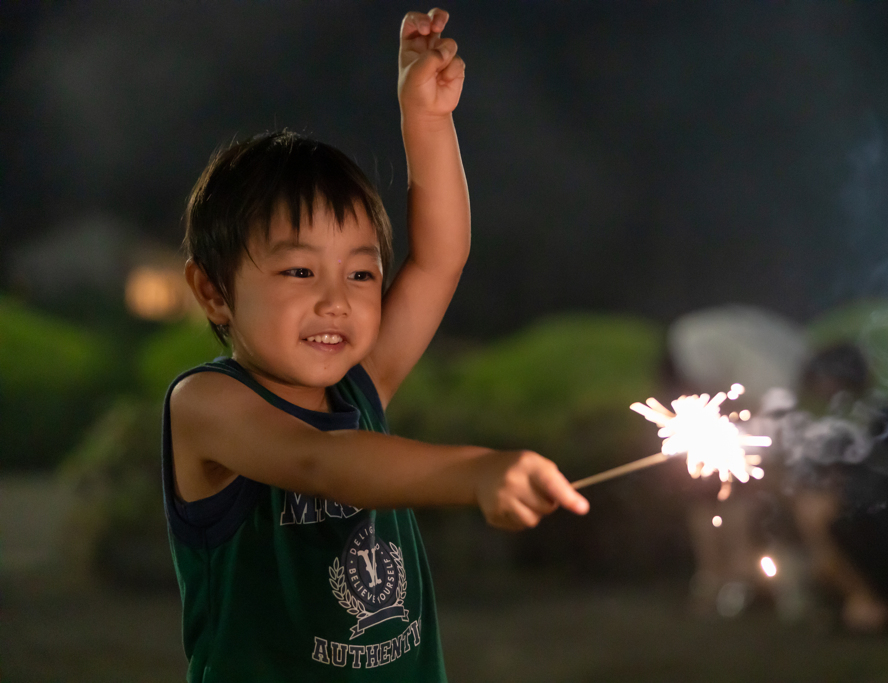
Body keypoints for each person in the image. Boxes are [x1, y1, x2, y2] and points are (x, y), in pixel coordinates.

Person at [162, 9, 589, 680]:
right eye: (300, 270)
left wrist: (426, 119)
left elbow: (440, 259)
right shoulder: (206, 404)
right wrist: (474, 471)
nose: (337, 299)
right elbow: (318, 460)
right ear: (213, 292)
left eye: (361, 273)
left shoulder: (361, 383)